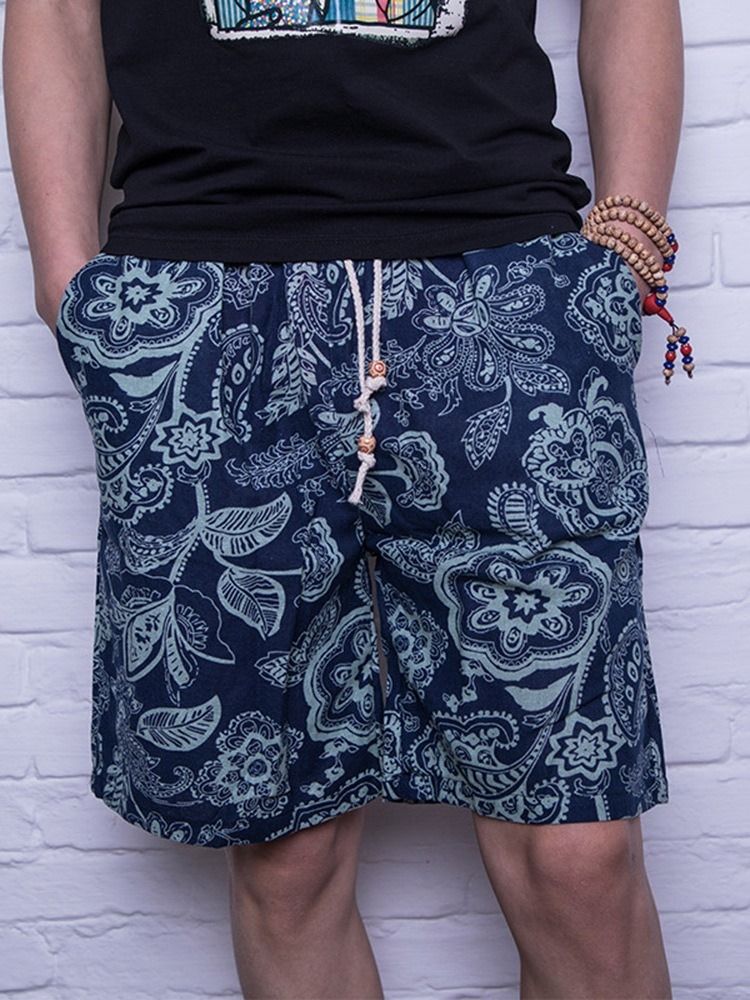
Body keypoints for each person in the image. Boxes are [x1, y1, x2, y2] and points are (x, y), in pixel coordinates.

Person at [3, 0, 683, 996]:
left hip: (501, 297)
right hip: (209, 303)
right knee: (288, 854)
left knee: (577, 854)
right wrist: (69, 285)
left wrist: (623, 250)